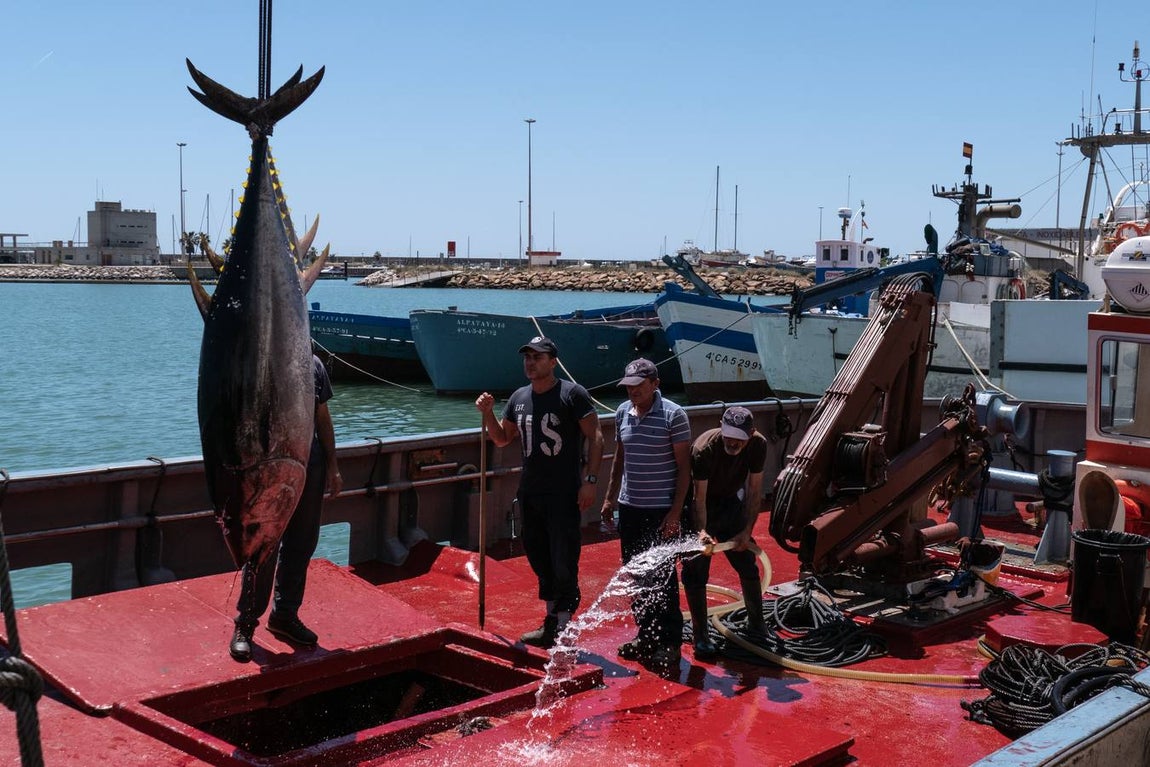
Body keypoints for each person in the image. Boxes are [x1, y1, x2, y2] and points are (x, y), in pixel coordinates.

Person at [475, 336, 604, 649]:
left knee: (563, 557)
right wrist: (488, 413)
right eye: (527, 358)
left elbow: (596, 435)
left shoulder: (572, 394)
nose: (530, 363)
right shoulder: (519, 398)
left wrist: (590, 479)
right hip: (531, 492)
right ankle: (551, 620)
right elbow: (503, 438)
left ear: (553, 361)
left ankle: (563, 623)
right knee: (537, 555)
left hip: (563, 493)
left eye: (538, 357)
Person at [229, 354, 343, 662]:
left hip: (311, 463)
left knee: (302, 544)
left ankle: (285, 615)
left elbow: (323, 417)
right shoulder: (264, 365)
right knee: (265, 544)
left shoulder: (315, 365)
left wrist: (333, 466)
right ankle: (245, 623)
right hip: (275, 464)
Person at [600, 358, 692, 669]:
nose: (633, 392)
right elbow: (619, 459)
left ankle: (669, 641)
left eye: (639, 385)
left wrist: (675, 512)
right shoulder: (622, 413)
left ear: (655, 384)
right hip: (630, 508)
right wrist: (610, 498)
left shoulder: (673, 416)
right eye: (628, 386)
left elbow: (684, 469)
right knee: (636, 575)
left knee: (663, 577)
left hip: (660, 511)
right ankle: (646, 635)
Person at [682, 406, 767, 659]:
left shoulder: (758, 446)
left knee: (747, 564)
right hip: (701, 504)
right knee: (696, 570)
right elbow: (699, 498)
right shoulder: (704, 449)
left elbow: (754, 492)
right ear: (721, 426)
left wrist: (745, 531)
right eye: (728, 434)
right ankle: (701, 636)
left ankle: (757, 623)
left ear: (751, 434)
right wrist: (702, 532)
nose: (732, 441)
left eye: (739, 437)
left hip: (730, 503)